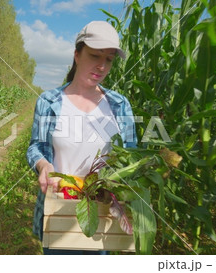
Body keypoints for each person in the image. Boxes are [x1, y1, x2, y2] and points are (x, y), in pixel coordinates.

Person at [26, 21, 137, 254]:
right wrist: (43, 164)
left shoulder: (119, 105)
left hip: (101, 211)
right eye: (95, 55)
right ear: (77, 55)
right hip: (60, 208)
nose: (102, 66)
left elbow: (131, 155)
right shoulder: (49, 102)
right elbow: (36, 146)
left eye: (108, 59)